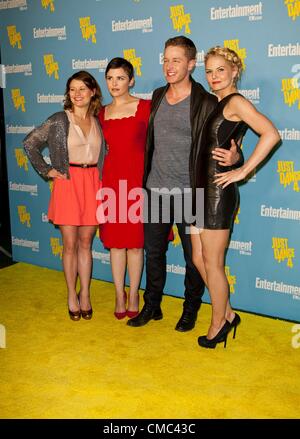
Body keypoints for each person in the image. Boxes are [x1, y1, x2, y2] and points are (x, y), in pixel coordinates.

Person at [127, 36, 242, 331]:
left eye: (176, 60)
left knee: (194, 258)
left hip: (191, 194)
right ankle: (152, 305)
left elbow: (229, 139)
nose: (169, 66)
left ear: (191, 64)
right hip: (155, 190)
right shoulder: (156, 96)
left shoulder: (206, 101)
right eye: (165, 59)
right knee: (153, 252)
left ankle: (190, 308)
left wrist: (236, 158)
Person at [190, 46, 280, 348]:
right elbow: (231, 144)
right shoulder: (214, 102)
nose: (214, 76)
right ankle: (227, 313)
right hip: (199, 189)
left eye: (220, 70)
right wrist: (237, 156)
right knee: (197, 257)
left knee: (212, 264)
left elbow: (270, 134)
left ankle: (218, 325)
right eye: (209, 71)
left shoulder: (236, 101)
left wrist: (242, 171)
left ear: (234, 72)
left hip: (217, 192)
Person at [23, 71, 105, 321]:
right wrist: (47, 170)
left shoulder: (99, 119)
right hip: (68, 183)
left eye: (82, 88)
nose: (77, 94)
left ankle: (86, 295)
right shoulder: (60, 119)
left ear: (93, 92)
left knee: (86, 244)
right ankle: (72, 295)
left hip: (93, 183)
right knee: (69, 245)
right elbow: (30, 143)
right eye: (72, 89)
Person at [98, 57, 151, 319]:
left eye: (120, 78)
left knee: (135, 245)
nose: (114, 83)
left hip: (138, 185)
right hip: (110, 185)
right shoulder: (100, 113)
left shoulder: (146, 108)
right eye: (110, 78)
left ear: (131, 80)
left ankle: (134, 292)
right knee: (116, 244)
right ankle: (119, 294)